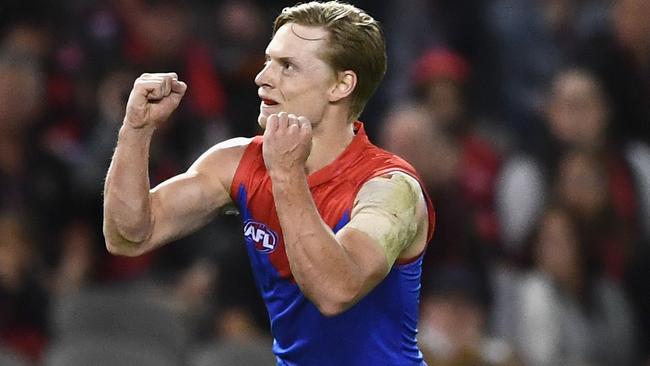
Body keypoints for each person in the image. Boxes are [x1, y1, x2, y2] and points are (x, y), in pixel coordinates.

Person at [102, 2, 435, 365]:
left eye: (287, 67)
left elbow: (336, 290)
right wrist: (136, 130)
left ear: (341, 84)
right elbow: (128, 236)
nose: (263, 78)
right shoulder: (239, 161)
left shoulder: (390, 188)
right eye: (268, 61)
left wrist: (287, 177)